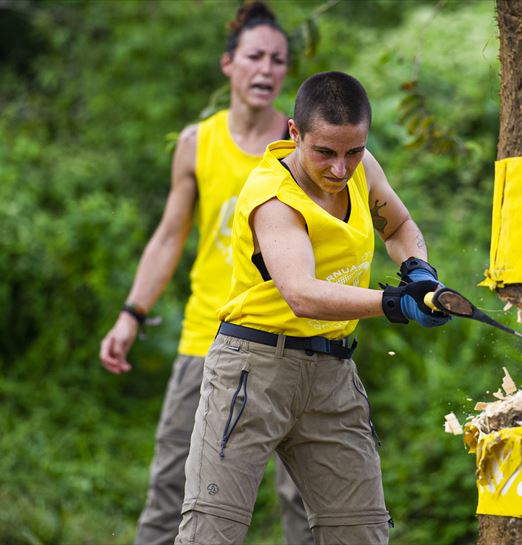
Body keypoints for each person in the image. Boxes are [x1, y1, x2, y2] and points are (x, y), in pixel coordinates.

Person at [175, 71, 451, 545]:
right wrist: (395, 303)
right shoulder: (272, 196)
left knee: (361, 535)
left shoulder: (363, 168)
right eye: (325, 152)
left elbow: (399, 226)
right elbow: (301, 294)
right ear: (295, 133)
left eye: (353, 151)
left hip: (332, 374)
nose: (341, 169)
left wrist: (419, 271)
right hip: (252, 374)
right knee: (211, 534)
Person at [98, 3, 313, 544]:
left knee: (308, 503)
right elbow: (170, 236)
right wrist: (131, 314)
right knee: (172, 491)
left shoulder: (300, 147)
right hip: (207, 340)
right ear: (228, 64)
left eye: (278, 60)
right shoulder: (197, 143)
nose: (266, 69)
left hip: (290, 341)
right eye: (255, 56)